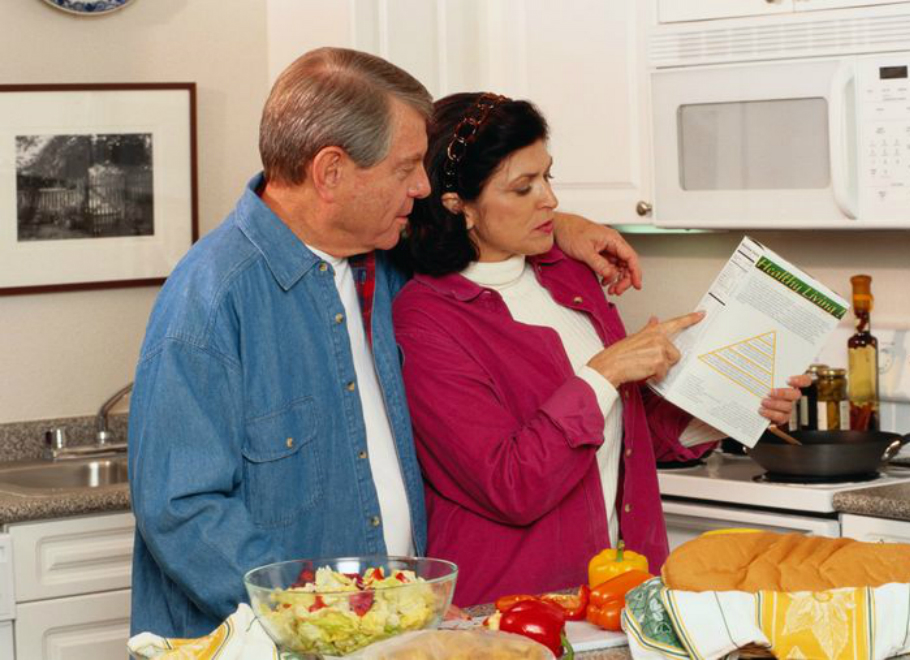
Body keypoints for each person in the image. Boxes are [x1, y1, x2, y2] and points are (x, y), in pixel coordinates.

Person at [127, 49, 644, 638]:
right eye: (405, 169)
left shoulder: (385, 263)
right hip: (287, 644)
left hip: (393, 632)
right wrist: (339, 614)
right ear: (331, 172)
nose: (422, 187)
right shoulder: (211, 301)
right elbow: (182, 511)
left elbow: (478, 220)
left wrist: (566, 230)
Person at [392, 93, 808, 607]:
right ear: (460, 207)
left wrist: (732, 403)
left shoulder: (569, 274)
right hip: (508, 610)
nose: (549, 200)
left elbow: (626, 435)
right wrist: (606, 371)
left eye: (548, 176)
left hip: (619, 597)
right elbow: (510, 485)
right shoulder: (427, 316)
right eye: (523, 187)